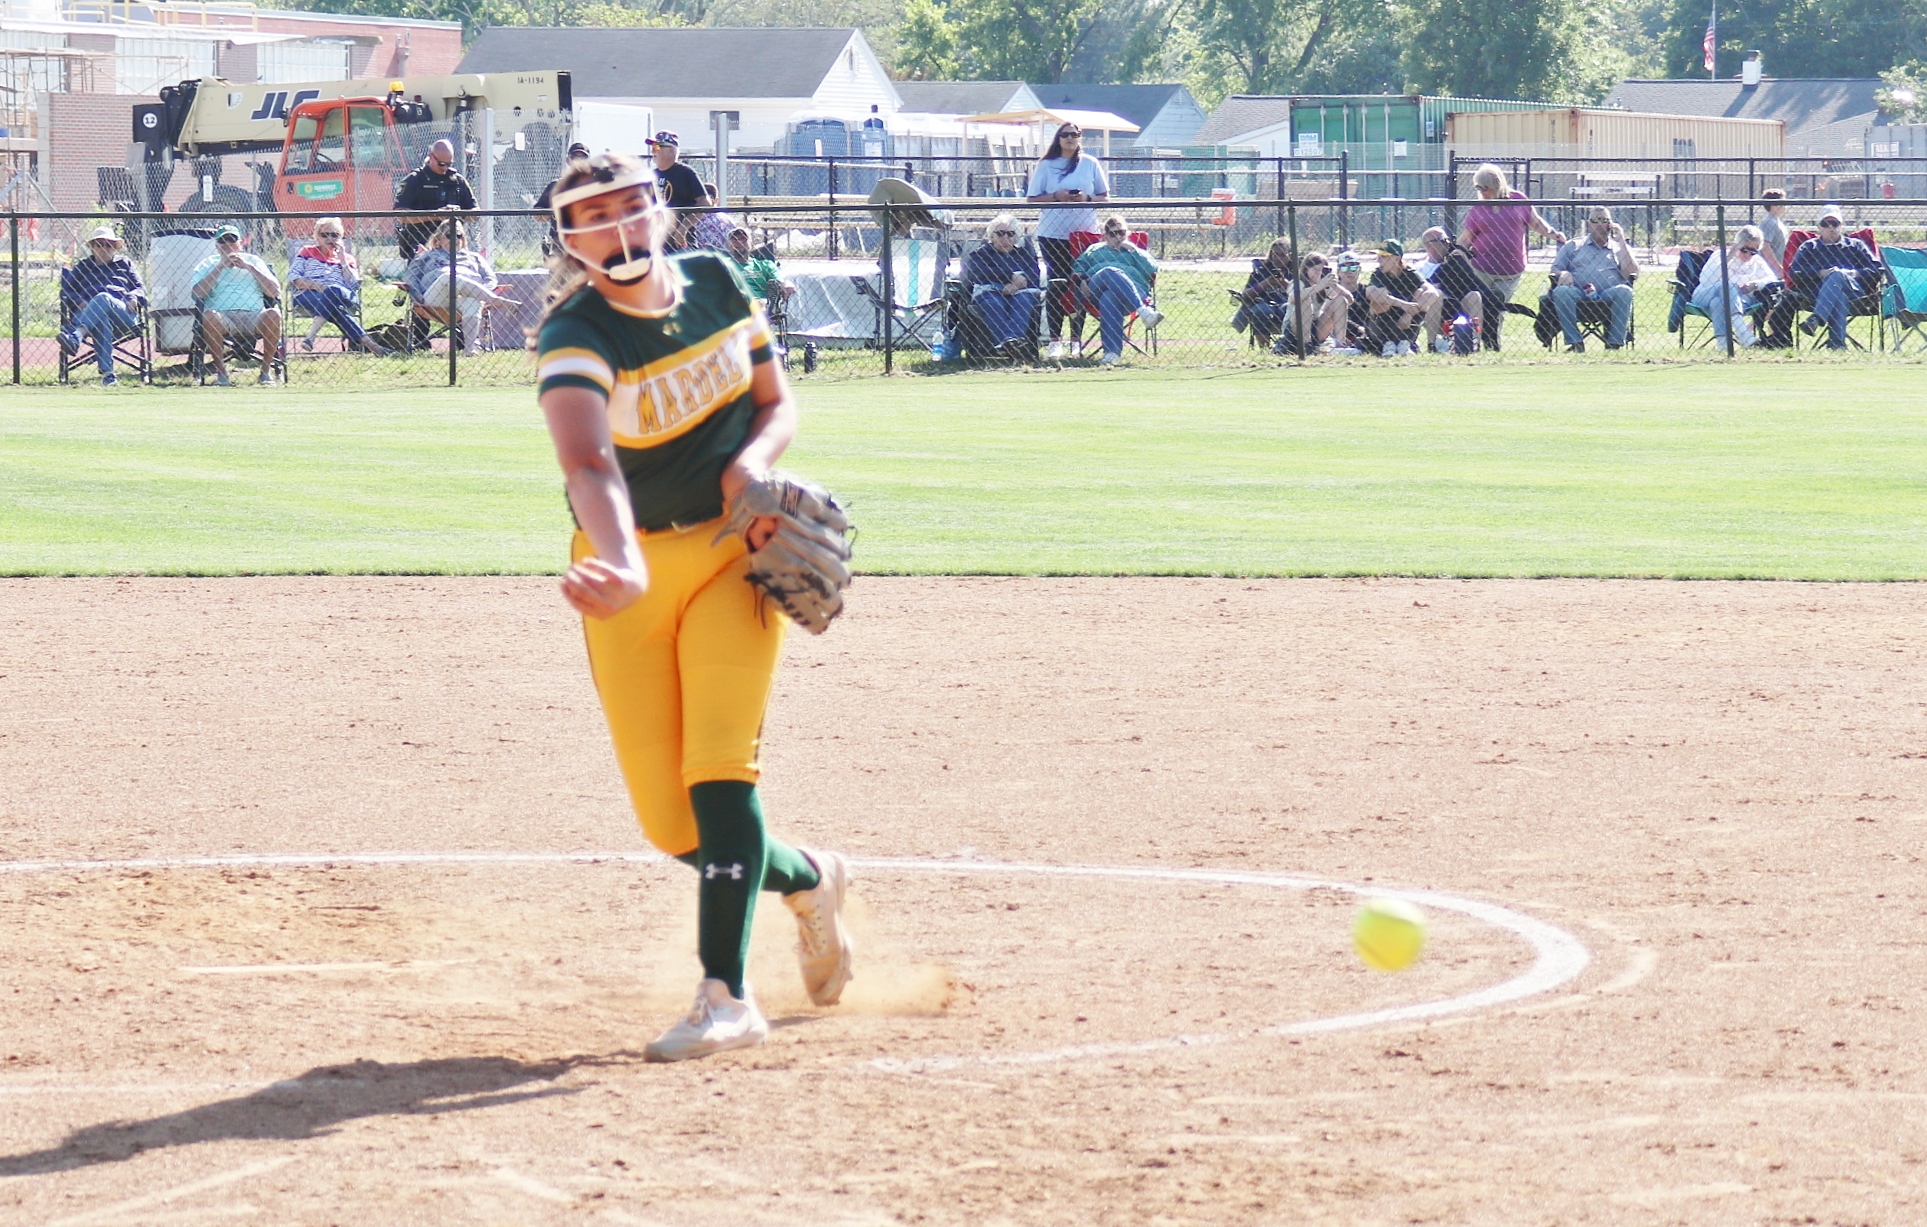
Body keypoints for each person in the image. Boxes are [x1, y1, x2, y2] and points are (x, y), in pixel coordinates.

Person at [532, 151, 855, 1062]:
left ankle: (726, 992)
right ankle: (808, 878)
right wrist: (626, 565)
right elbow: (589, 467)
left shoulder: (715, 281)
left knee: (721, 770)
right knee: (672, 826)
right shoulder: (577, 336)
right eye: (590, 217)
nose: (615, 228)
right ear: (568, 238)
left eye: (629, 205)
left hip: (726, 552)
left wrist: (750, 469)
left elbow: (775, 402)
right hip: (625, 568)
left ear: (660, 210)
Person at [1026, 122, 1110, 360]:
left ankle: (1076, 340)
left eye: (1075, 135)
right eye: (1065, 135)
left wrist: (1087, 198)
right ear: (1058, 139)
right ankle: (1054, 340)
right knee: (1057, 283)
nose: (1070, 139)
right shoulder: (1046, 165)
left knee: (1079, 283)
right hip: (1053, 235)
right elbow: (1031, 199)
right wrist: (1056, 197)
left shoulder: (1090, 164)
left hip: (1084, 236)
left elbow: (1105, 198)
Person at [1458, 163, 1563, 350]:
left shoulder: (1518, 200)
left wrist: (1553, 234)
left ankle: (1493, 343)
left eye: (1485, 188)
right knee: (1478, 306)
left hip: (1511, 271)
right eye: (1478, 188)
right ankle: (1474, 343)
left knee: (1498, 307)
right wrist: (1453, 253)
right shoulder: (1478, 209)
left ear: (1497, 185)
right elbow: (1466, 239)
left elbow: (1536, 222)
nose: (1482, 192)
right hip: (1481, 269)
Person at [1766, 208, 1880, 350]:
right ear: (1819, 227)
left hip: (1856, 295)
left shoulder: (1856, 245)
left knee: (1837, 275)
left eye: (1835, 223)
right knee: (1838, 294)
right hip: (1816, 296)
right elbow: (1794, 272)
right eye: (1826, 224)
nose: (1831, 227)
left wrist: (1851, 274)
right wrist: (1820, 273)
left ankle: (1817, 319)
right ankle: (1837, 345)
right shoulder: (1809, 247)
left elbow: (1877, 270)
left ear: (1841, 225)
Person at [405, 219, 515, 356]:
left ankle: (469, 349)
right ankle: (495, 299)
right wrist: (417, 295)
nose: (455, 239)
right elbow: (410, 277)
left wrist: (482, 292)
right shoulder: (426, 256)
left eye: (459, 235)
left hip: (462, 300)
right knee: (449, 275)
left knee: (472, 301)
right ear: (438, 239)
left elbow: (490, 278)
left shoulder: (474, 257)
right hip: (435, 299)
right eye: (449, 235)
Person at [191, 223, 282, 386]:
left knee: (274, 314)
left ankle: (265, 374)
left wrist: (249, 267)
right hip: (223, 317)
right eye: (223, 242)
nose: (228, 246)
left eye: (232, 241)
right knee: (209, 316)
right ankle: (222, 375)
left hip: (255, 316)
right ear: (216, 245)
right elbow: (197, 293)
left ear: (240, 243)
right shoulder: (208, 264)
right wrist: (220, 267)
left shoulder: (255, 261)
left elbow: (274, 291)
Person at [57, 225, 145, 386]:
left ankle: (76, 336)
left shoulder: (125, 264)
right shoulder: (82, 267)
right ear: (92, 247)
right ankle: (108, 376)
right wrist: (79, 302)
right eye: (99, 244)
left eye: (109, 244)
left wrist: (133, 297)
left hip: (122, 313)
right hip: (90, 315)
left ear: (115, 247)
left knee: (103, 298)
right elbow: (66, 292)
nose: (104, 248)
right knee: (101, 318)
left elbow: (140, 288)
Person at [289, 216, 390, 355]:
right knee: (335, 306)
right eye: (324, 234)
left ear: (341, 237)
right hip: (309, 294)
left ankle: (311, 337)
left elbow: (353, 284)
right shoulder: (307, 252)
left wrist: (342, 260)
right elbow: (294, 278)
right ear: (317, 236)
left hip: (343, 294)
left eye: (334, 235)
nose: (329, 238)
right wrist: (321, 287)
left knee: (333, 290)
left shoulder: (347, 258)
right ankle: (373, 346)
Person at [1069, 214, 1160, 365]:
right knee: (1109, 272)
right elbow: (1078, 267)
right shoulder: (1095, 249)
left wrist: (1134, 251)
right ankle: (1144, 312)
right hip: (1095, 289)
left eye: (1122, 232)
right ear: (1105, 236)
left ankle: (1112, 354)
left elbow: (1152, 270)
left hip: (1131, 293)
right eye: (1113, 233)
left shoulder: (1135, 251)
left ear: (1127, 233)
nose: (1118, 237)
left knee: (1109, 297)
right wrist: (1080, 281)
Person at [1546, 207, 1639, 352]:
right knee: (1561, 291)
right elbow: (1555, 270)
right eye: (1595, 220)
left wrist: (1621, 240)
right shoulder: (1573, 245)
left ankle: (1614, 344)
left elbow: (1631, 273)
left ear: (1611, 224)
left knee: (1626, 291)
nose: (1599, 224)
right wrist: (1563, 274)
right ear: (1589, 224)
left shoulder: (1619, 247)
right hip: (1578, 294)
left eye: (1604, 220)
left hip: (1608, 296)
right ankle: (1576, 342)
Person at [963, 212, 1044, 355]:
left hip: (1021, 292)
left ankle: (1006, 343)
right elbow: (979, 273)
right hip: (991, 292)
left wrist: (1015, 286)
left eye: (1010, 234)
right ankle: (1013, 343)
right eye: (1000, 233)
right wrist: (1010, 276)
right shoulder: (981, 253)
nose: (1006, 237)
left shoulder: (1024, 254)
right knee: (994, 304)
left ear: (1015, 237)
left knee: (1023, 301)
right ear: (992, 236)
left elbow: (1034, 275)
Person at [1691, 224, 1778, 348]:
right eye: (1744, 250)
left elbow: (1772, 279)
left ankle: (1723, 344)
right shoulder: (1720, 255)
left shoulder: (1757, 261)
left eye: (1753, 251)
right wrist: (1729, 257)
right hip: (1704, 295)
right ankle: (1743, 333)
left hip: (1739, 302)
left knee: (1718, 302)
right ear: (1737, 245)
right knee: (1728, 287)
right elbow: (1705, 280)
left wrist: (1756, 284)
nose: (1748, 255)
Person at [393, 139, 476, 261]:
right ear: (431, 157)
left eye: (449, 164)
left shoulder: (457, 181)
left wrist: (459, 214)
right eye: (442, 164)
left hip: (454, 248)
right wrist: (435, 215)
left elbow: (476, 212)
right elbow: (400, 214)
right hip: (422, 248)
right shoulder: (415, 180)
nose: (446, 168)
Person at [1415, 226, 1485, 352]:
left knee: (1474, 295)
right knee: (1437, 293)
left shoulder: (1456, 262)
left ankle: (1475, 344)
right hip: (1432, 311)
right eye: (1442, 240)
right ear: (1428, 245)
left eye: (1448, 240)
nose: (1448, 244)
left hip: (1457, 307)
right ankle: (1432, 345)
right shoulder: (1419, 268)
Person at [1364, 240, 1438, 355]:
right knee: (1379, 297)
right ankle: (1388, 344)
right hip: (1381, 329)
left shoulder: (1409, 273)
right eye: (1379, 256)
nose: (1379, 260)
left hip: (1406, 324)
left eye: (1383, 256)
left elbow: (1433, 293)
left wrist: (1409, 314)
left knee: (1420, 293)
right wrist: (1403, 304)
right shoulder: (1379, 274)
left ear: (1397, 258)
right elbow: (1369, 293)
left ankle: (1405, 343)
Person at [1271, 252, 1350, 355]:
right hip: (1295, 327)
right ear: (1306, 269)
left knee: (1340, 300)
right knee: (1305, 300)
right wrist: (1318, 287)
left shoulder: (1325, 285)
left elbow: (1349, 300)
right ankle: (1306, 346)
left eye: (1322, 270)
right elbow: (1293, 298)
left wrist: (1335, 285)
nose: (1319, 273)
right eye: (1315, 269)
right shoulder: (1299, 283)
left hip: (1316, 326)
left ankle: (1341, 344)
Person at [647, 132, 707, 252]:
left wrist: (683, 228)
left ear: (671, 151)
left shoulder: (685, 173)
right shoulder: (650, 176)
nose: (653, 151)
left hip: (680, 244)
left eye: (657, 147)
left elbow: (705, 203)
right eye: (652, 148)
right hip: (657, 243)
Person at [535, 141, 593, 256]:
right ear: (568, 160)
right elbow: (537, 215)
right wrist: (555, 208)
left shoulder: (594, 186)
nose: (579, 161)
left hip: (587, 241)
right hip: (560, 243)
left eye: (583, 158)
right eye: (575, 157)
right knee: (561, 273)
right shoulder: (556, 186)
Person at [1231, 238, 1295, 343]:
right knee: (1260, 310)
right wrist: (1264, 284)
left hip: (1288, 303)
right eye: (1275, 255)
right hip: (1266, 303)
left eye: (1282, 255)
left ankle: (1289, 346)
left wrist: (1285, 285)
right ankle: (1264, 349)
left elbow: (1304, 293)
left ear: (1290, 255)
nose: (1278, 258)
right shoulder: (1261, 271)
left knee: (1288, 309)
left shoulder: (1296, 271)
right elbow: (1246, 294)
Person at [724, 226, 792, 307]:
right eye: (734, 239)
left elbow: (780, 281)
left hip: (761, 305)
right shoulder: (721, 265)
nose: (739, 242)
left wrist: (786, 284)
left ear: (751, 243)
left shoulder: (765, 265)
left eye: (743, 239)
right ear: (728, 245)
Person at [691, 182, 735, 251]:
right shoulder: (729, 220)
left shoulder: (694, 219)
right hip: (727, 256)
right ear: (717, 200)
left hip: (700, 256)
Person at [1757, 189, 1789, 279]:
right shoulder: (1768, 222)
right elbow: (1765, 247)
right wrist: (1779, 269)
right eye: (1782, 202)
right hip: (1771, 271)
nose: (1785, 206)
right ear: (1774, 205)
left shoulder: (1777, 221)